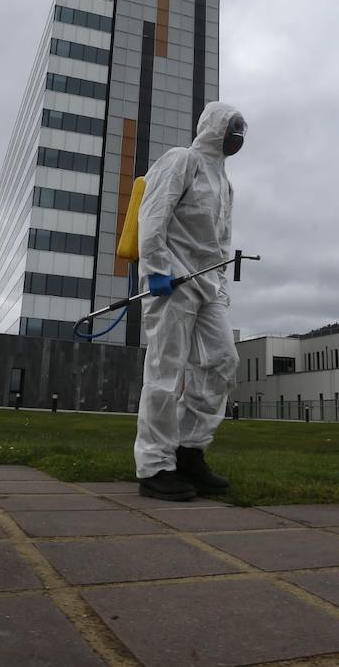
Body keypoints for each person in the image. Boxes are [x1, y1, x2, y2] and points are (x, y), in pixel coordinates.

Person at [133, 101, 247, 500]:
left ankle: (189, 451)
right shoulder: (182, 160)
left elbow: (221, 241)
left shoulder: (225, 182)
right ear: (214, 127)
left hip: (208, 283)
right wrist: (156, 267)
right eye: (233, 127)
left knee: (221, 360)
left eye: (241, 130)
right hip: (173, 278)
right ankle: (154, 467)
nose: (239, 136)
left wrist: (221, 288)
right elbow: (153, 214)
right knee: (166, 371)